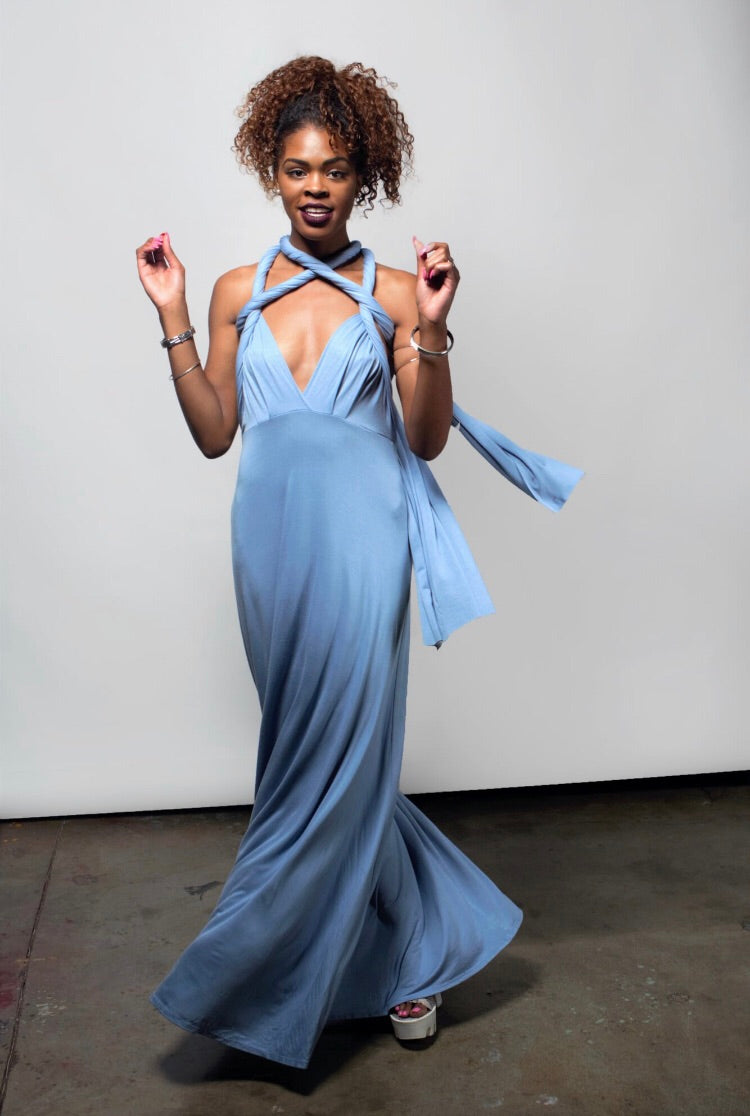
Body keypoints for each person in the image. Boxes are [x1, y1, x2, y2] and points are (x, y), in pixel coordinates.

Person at [135, 56, 581, 1070]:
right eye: (298, 168)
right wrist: (171, 314)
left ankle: (263, 975)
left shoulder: (395, 293)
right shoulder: (237, 291)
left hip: (364, 546)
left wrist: (434, 329)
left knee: (346, 757)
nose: (316, 187)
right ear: (272, 172)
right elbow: (214, 433)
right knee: (315, 765)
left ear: (363, 175)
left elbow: (424, 438)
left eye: (335, 169)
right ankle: (410, 949)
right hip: (267, 550)